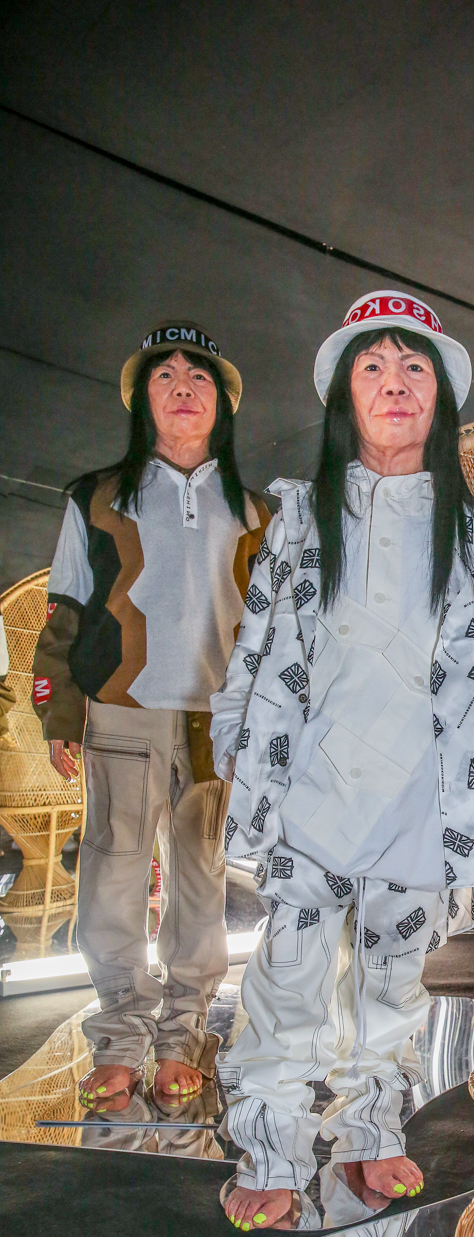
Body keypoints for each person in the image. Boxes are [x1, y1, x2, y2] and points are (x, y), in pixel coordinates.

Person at [211, 290, 474, 1231]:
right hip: (313, 782)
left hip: (418, 795)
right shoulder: (303, 519)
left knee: (393, 978)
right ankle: (270, 1142)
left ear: (441, 400)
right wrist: (238, 745)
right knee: (290, 974)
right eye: (374, 368)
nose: (395, 385)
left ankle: (369, 1129)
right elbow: (256, 645)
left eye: (413, 369)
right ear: (345, 397)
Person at [32, 323, 271, 1113]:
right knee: (113, 872)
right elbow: (65, 606)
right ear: (142, 401)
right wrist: (60, 708)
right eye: (164, 376)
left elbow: (278, 628)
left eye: (198, 377)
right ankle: (120, 1040)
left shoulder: (257, 512)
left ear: (221, 403)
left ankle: (182, 1036)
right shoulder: (97, 497)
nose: (182, 388)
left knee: (202, 879)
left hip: (216, 720)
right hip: (122, 710)